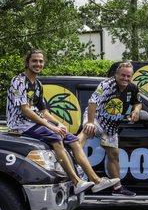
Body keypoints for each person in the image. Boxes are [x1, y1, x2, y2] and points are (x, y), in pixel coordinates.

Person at [6, 50, 119, 194]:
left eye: (41, 61)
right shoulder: (18, 81)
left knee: (73, 140)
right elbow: (26, 110)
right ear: (27, 63)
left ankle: (96, 181)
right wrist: (51, 127)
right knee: (57, 138)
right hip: (19, 124)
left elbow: (44, 111)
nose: (38, 64)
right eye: (34, 61)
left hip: (35, 123)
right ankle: (76, 181)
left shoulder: (38, 85)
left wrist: (58, 124)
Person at [82, 62, 142, 196]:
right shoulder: (106, 85)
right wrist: (90, 122)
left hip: (111, 126)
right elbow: (92, 102)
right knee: (85, 132)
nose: (125, 78)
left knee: (113, 155)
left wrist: (136, 111)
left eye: (128, 76)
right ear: (116, 75)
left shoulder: (132, 88)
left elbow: (137, 103)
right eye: (123, 75)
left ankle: (117, 188)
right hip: (96, 118)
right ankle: (77, 173)